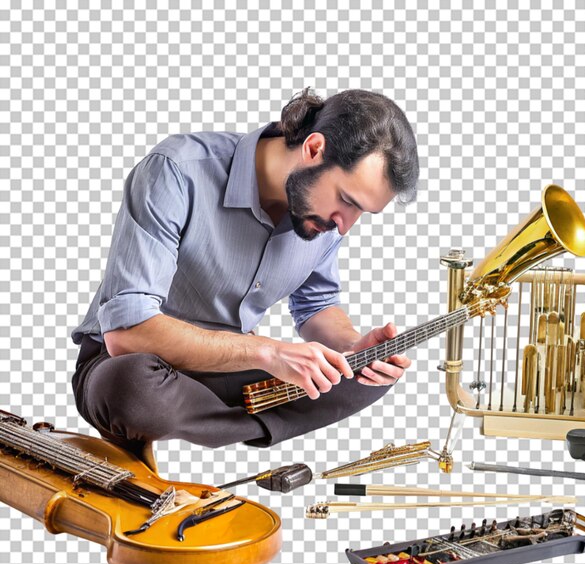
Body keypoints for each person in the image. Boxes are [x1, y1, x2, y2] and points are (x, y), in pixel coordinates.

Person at [71, 88, 419, 457]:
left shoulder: (322, 219)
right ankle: (242, 415)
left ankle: (206, 418)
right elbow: (128, 335)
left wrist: (352, 347)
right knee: (132, 390)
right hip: (136, 362)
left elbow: (316, 305)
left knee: (363, 378)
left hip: (231, 368)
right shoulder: (176, 170)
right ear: (314, 149)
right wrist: (268, 353)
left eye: (361, 211)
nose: (345, 225)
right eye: (347, 201)